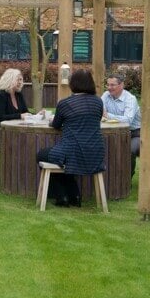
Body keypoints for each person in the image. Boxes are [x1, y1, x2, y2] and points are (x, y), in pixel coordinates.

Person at [36, 69, 105, 207]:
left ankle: (62, 197)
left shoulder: (65, 103)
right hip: (96, 152)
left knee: (42, 155)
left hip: (72, 151)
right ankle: (74, 195)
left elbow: (56, 124)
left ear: (73, 84)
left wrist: (50, 120)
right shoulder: (98, 102)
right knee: (60, 159)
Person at [101, 74, 142, 176]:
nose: (109, 88)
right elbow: (98, 111)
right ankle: (107, 178)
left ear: (121, 85)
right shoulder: (106, 95)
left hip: (135, 133)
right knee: (101, 148)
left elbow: (127, 121)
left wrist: (107, 115)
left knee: (129, 151)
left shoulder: (130, 99)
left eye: (112, 85)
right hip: (113, 132)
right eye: (108, 85)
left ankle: (127, 180)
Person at [0, 69, 33, 144]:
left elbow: (25, 112)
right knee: (20, 142)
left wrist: (38, 115)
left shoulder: (18, 95)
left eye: (21, 80)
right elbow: (0, 117)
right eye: (18, 80)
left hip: (12, 132)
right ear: (10, 80)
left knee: (28, 140)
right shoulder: (0, 95)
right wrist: (20, 116)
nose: (20, 82)